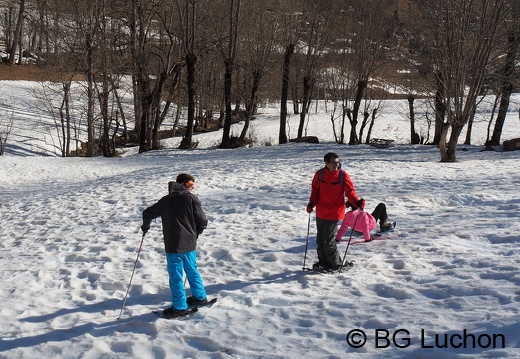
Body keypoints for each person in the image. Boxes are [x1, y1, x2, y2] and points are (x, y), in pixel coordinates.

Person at [141, 173, 209, 319]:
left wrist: (145, 227)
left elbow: (147, 213)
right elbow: (202, 221)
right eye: (190, 185)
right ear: (183, 184)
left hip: (173, 245)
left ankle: (180, 306)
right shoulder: (191, 198)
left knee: (176, 276)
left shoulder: (165, 201)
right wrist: (194, 233)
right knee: (192, 270)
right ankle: (199, 297)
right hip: (189, 243)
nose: (193, 188)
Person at [306, 152, 364, 271]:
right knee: (320, 239)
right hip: (321, 211)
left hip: (335, 212)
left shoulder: (342, 175)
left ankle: (337, 264)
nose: (336, 165)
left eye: (337, 162)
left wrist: (357, 202)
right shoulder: (320, 174)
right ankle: (324, 262)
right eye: (333, 163)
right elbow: (315, 192)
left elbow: (350, 191)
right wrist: (312, 203)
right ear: (326, 163)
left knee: (328, 240)